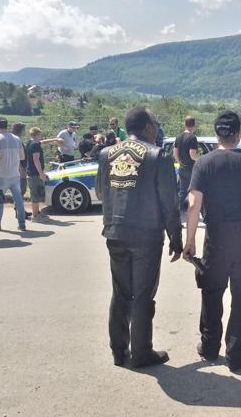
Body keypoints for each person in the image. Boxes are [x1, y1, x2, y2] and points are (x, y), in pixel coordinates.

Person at [183, 110, 241, 371]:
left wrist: (189, 241)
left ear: (217, 135)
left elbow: (194, 205)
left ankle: (209, 346)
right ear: (238, 133)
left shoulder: (204, 163)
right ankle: (237, 354)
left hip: (216, 237)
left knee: (212, 292)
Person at [95, 107, 182, 368]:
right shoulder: (158, 155)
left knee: (120, 292)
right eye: (156, 123)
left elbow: (100, 192)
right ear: (147, 127)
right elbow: (169, 202)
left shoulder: (106, 153)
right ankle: (142, 352)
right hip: (146, 234)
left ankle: (119, 351)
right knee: (143, 295)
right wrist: (175, 237)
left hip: (115, 231)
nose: (158, 128)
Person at [0, 117, 27, 231]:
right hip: (15, 174)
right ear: (7, 125)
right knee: (19, 200)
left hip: (1, 175)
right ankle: (22, 224)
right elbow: (22, 157)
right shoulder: (17, 139)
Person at [26, 127, 63, 222]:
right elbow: (36, 160)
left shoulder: (31, 142)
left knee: (37, 193)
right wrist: (41, 174)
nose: (41, 136)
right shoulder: (35, 145)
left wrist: (55, 139)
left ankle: (37, 213)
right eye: (40, 135)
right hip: (35, 173)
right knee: (35, 195)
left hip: (32, 172)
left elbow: (43, 142)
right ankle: (35, 216)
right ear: (37, 135)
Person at [173, 116, 199, 217]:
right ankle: (195, 212)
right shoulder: (192, 138)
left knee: (182, 191)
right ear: (194, 125)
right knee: (196, 190)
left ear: (185, 124)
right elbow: (193, 155)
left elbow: (175, 153)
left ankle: (178, 214)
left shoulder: (178, 137)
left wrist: (180, 162)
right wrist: (202, 160)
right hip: (191, 169)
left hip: (182, 167)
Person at [11, 122, 32, 220]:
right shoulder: (16, 140)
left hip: (20, 168)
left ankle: (20, 210)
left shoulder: (16, 139)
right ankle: (19, 211)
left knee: (20, 191)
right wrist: (21, 169)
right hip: (19, 169)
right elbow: (17, 155)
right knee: (20, 190)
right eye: (24, 129)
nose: (25, 131)